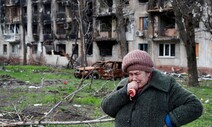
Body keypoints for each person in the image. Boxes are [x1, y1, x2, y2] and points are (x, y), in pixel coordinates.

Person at [101, 50, 203, 127]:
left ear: (148, 72)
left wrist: (170, 121)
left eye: (137, 74)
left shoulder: (165, 84)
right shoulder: (124, 85)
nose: (133, 78)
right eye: (130, 74)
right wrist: (124, 92)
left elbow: (195, 105)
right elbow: (107, 108)